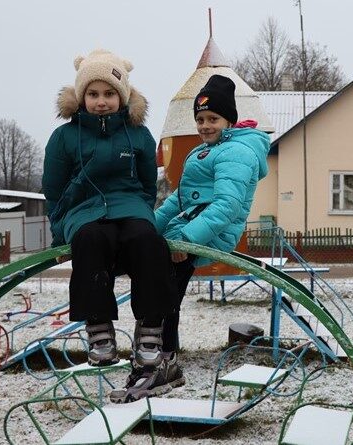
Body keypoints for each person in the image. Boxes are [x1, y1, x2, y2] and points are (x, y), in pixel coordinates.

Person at [114, 74, 269, 400]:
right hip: (189, 226)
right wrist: (148, 227)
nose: (205, 125)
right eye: (200, 119)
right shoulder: (203, 151)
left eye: (213, 118)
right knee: (160, 290)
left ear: (230, 119)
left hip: (208, 232)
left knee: (163, 293)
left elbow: (226, 206)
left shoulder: (237, 152)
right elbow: (178, 200)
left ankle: (161, 361)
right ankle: (159, 358)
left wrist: (187, 240)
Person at [42, 49, 179, 401]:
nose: (101, 102)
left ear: (123, 96)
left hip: (129, 205)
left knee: (149, 241)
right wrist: (60, 236)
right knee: (89, 240)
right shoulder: (64, 138)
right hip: (83, 210)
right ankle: (99, 328)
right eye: (93, 94)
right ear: (81, 97)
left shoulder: (139, 136)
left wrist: (143, 214)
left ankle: (150, 328)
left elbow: (149, 184)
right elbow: (54, 190)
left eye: (109, 94)